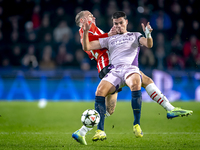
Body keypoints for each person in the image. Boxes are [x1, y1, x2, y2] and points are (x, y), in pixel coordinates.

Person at [72, 11, 193, 145]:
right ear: (83, 21)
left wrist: (148, 34)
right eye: (89, 16)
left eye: (120, 23)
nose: (93, 17)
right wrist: (108, 35)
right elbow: (87, 45)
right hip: (109, 68)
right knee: (143, 81)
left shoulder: (132, 35)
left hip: (120, 68)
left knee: (110, 109)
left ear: (126, 22)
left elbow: (148, 44)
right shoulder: (88, 32)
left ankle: (83, 131)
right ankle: (169, 109)